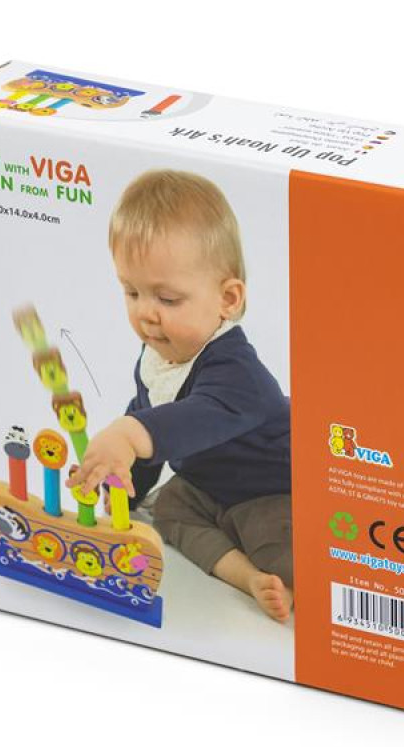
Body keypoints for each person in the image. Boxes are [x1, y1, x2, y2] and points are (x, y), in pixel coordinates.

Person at [67, 169, 293, 622]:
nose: (146, 314)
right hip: (207, 488)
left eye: (167, 299)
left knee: (284, 552)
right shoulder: (158, 356)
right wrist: (123, 484)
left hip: (273, 491)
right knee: (168, 508)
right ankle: (245, 576)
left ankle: (274, 573)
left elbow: (192, 418)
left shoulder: (238, 372)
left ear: (227, 299)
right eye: (132, 292)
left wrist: (127, 433)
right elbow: (149, 412)